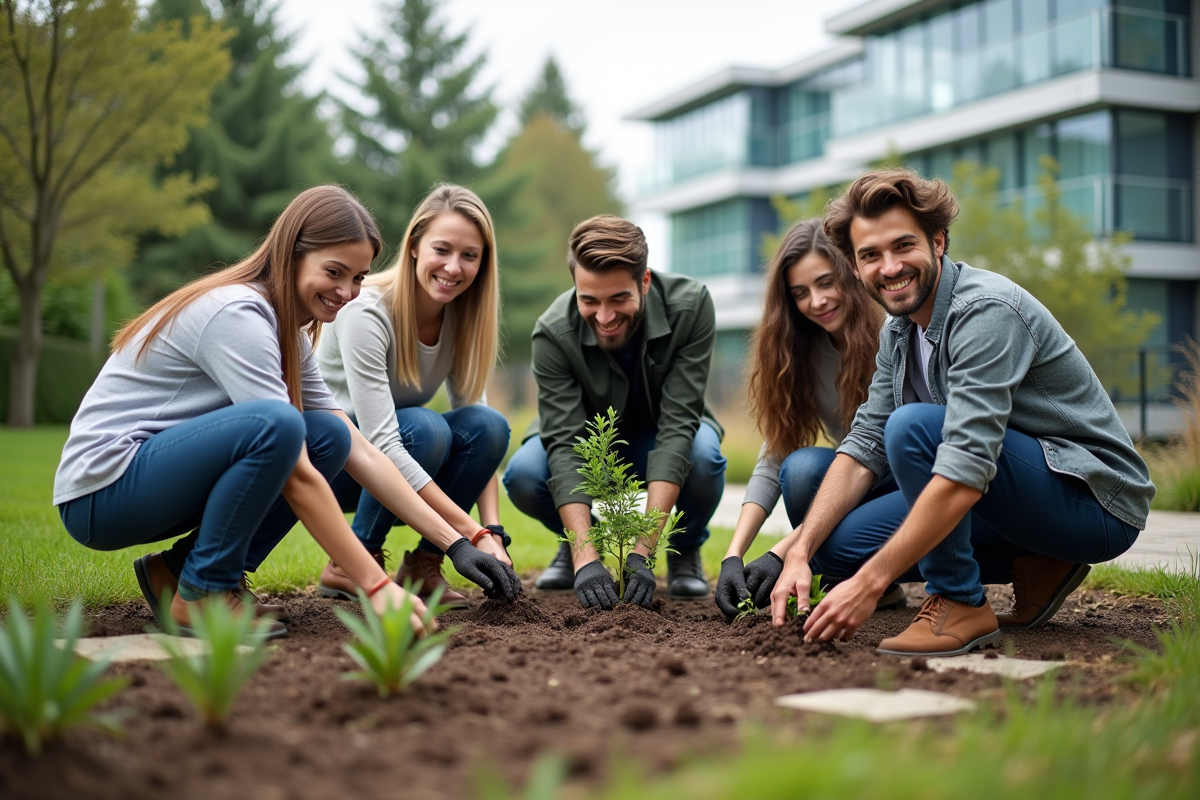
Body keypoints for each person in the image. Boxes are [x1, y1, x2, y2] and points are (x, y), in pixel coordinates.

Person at [54, 186, 519, 641]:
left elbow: (362, 449)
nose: (347, 291)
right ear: (292, 254)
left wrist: (461, 538)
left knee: (329, 435)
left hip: (149, 483)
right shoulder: (238, 315)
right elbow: (294, 469)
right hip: (102, 491)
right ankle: (203, 592)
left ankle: (177, 574)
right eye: (334, 271)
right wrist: (375, 585)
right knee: (281, 427)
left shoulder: (288, 330)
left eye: (358, 277)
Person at [761, 170, 1153, 656]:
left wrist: (871, 583)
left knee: (915, 428)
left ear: (939, 240)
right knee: (833, 544)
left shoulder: (986, 310)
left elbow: (965, 464)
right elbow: (864, 443)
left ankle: (960, 601)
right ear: (855, 266)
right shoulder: (899, 331)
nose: (889, 267)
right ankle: (1033, 562)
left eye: (903, 246)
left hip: (1092, 499)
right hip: (1006, 489)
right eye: (870, 255)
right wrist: (794, 552)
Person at [503, 215, 726, 609]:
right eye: (589, 300)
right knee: (524, 473)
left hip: (662, 434)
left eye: (618, 299)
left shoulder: (690, 306)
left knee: (704, 454)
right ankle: (575, 542)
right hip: (589, 443)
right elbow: (566, 443)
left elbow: (678, 428)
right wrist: (586, 554)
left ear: (644, 282)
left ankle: (684, 549)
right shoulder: (553, 332)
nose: (604, 317)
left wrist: (642, 552)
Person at [317, 184, 511, 608]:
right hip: (333, 468)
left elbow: (481, 429)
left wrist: (493, 532)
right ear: (414, 248)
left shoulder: (461, 319)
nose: (454, 267)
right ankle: (352, 558)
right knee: (425, 429)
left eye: (470, 256)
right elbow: (383, 442)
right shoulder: (365, 311)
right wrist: (470, 535)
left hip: (398, 468)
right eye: (442, 249)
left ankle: (424, 565)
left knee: (489, 425)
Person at [713, 218, 905, 620]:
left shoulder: (893, 335)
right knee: (800, 469)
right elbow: (775, 454)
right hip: (852, 484)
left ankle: (851, 569)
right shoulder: (802, 350)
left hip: (903, 487)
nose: (815, 301)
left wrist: (779, 553)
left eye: (825, 282)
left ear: (851, 275)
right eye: (800, 293)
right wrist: (734, 555)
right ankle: (867, 582)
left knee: (817, 473)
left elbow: (874, 464)